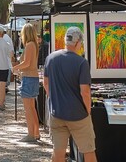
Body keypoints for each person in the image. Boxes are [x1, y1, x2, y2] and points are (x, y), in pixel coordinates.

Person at [43, 27, 96, 162]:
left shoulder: (51, 58)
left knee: (58, 151)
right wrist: (88, 110)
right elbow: (85, 92)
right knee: (88, 151)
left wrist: (55, 99)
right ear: (78, 43)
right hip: (78, 115)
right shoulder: (81, 62)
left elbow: (46, 84)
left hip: (57, 113)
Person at [12, 23, 40, 143]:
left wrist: (15, 68)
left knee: (28, 108)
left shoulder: (29, 45)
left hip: (28, 78)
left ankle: (31, 134)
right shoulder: (34, 44)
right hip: (32, 77)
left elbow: (27, 63)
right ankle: (35, 133)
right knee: (32, 108)